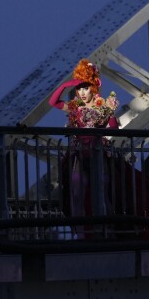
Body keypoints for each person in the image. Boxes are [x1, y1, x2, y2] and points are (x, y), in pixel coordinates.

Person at [49, 59, 119, 238]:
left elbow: (114, 128)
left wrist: (98, 132)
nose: (82, 92)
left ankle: (106, 230)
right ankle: (81, 233)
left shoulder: (103, 107)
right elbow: (53, 101)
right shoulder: (75, 108)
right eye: (79, 88)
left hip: (97, 155)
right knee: (77, 191)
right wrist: (66, 84)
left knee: (101, 192)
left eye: (85, 88)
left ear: (93, 87)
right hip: (79, 155)